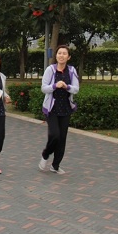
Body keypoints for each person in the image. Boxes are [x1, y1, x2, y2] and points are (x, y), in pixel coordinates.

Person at [38, 45, 80, 175]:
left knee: (62, 138)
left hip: (66, 108)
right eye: (59, 53)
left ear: (69, 57)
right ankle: (46, 154)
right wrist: (55, 85)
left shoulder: (71, 70)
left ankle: (55, 165)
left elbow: (76, 89)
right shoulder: (50, 69)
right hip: (52, 108)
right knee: (54, 135)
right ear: (56, 55)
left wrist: (67, 87)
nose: (61, 55)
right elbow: (44, 88)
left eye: (64, 53)